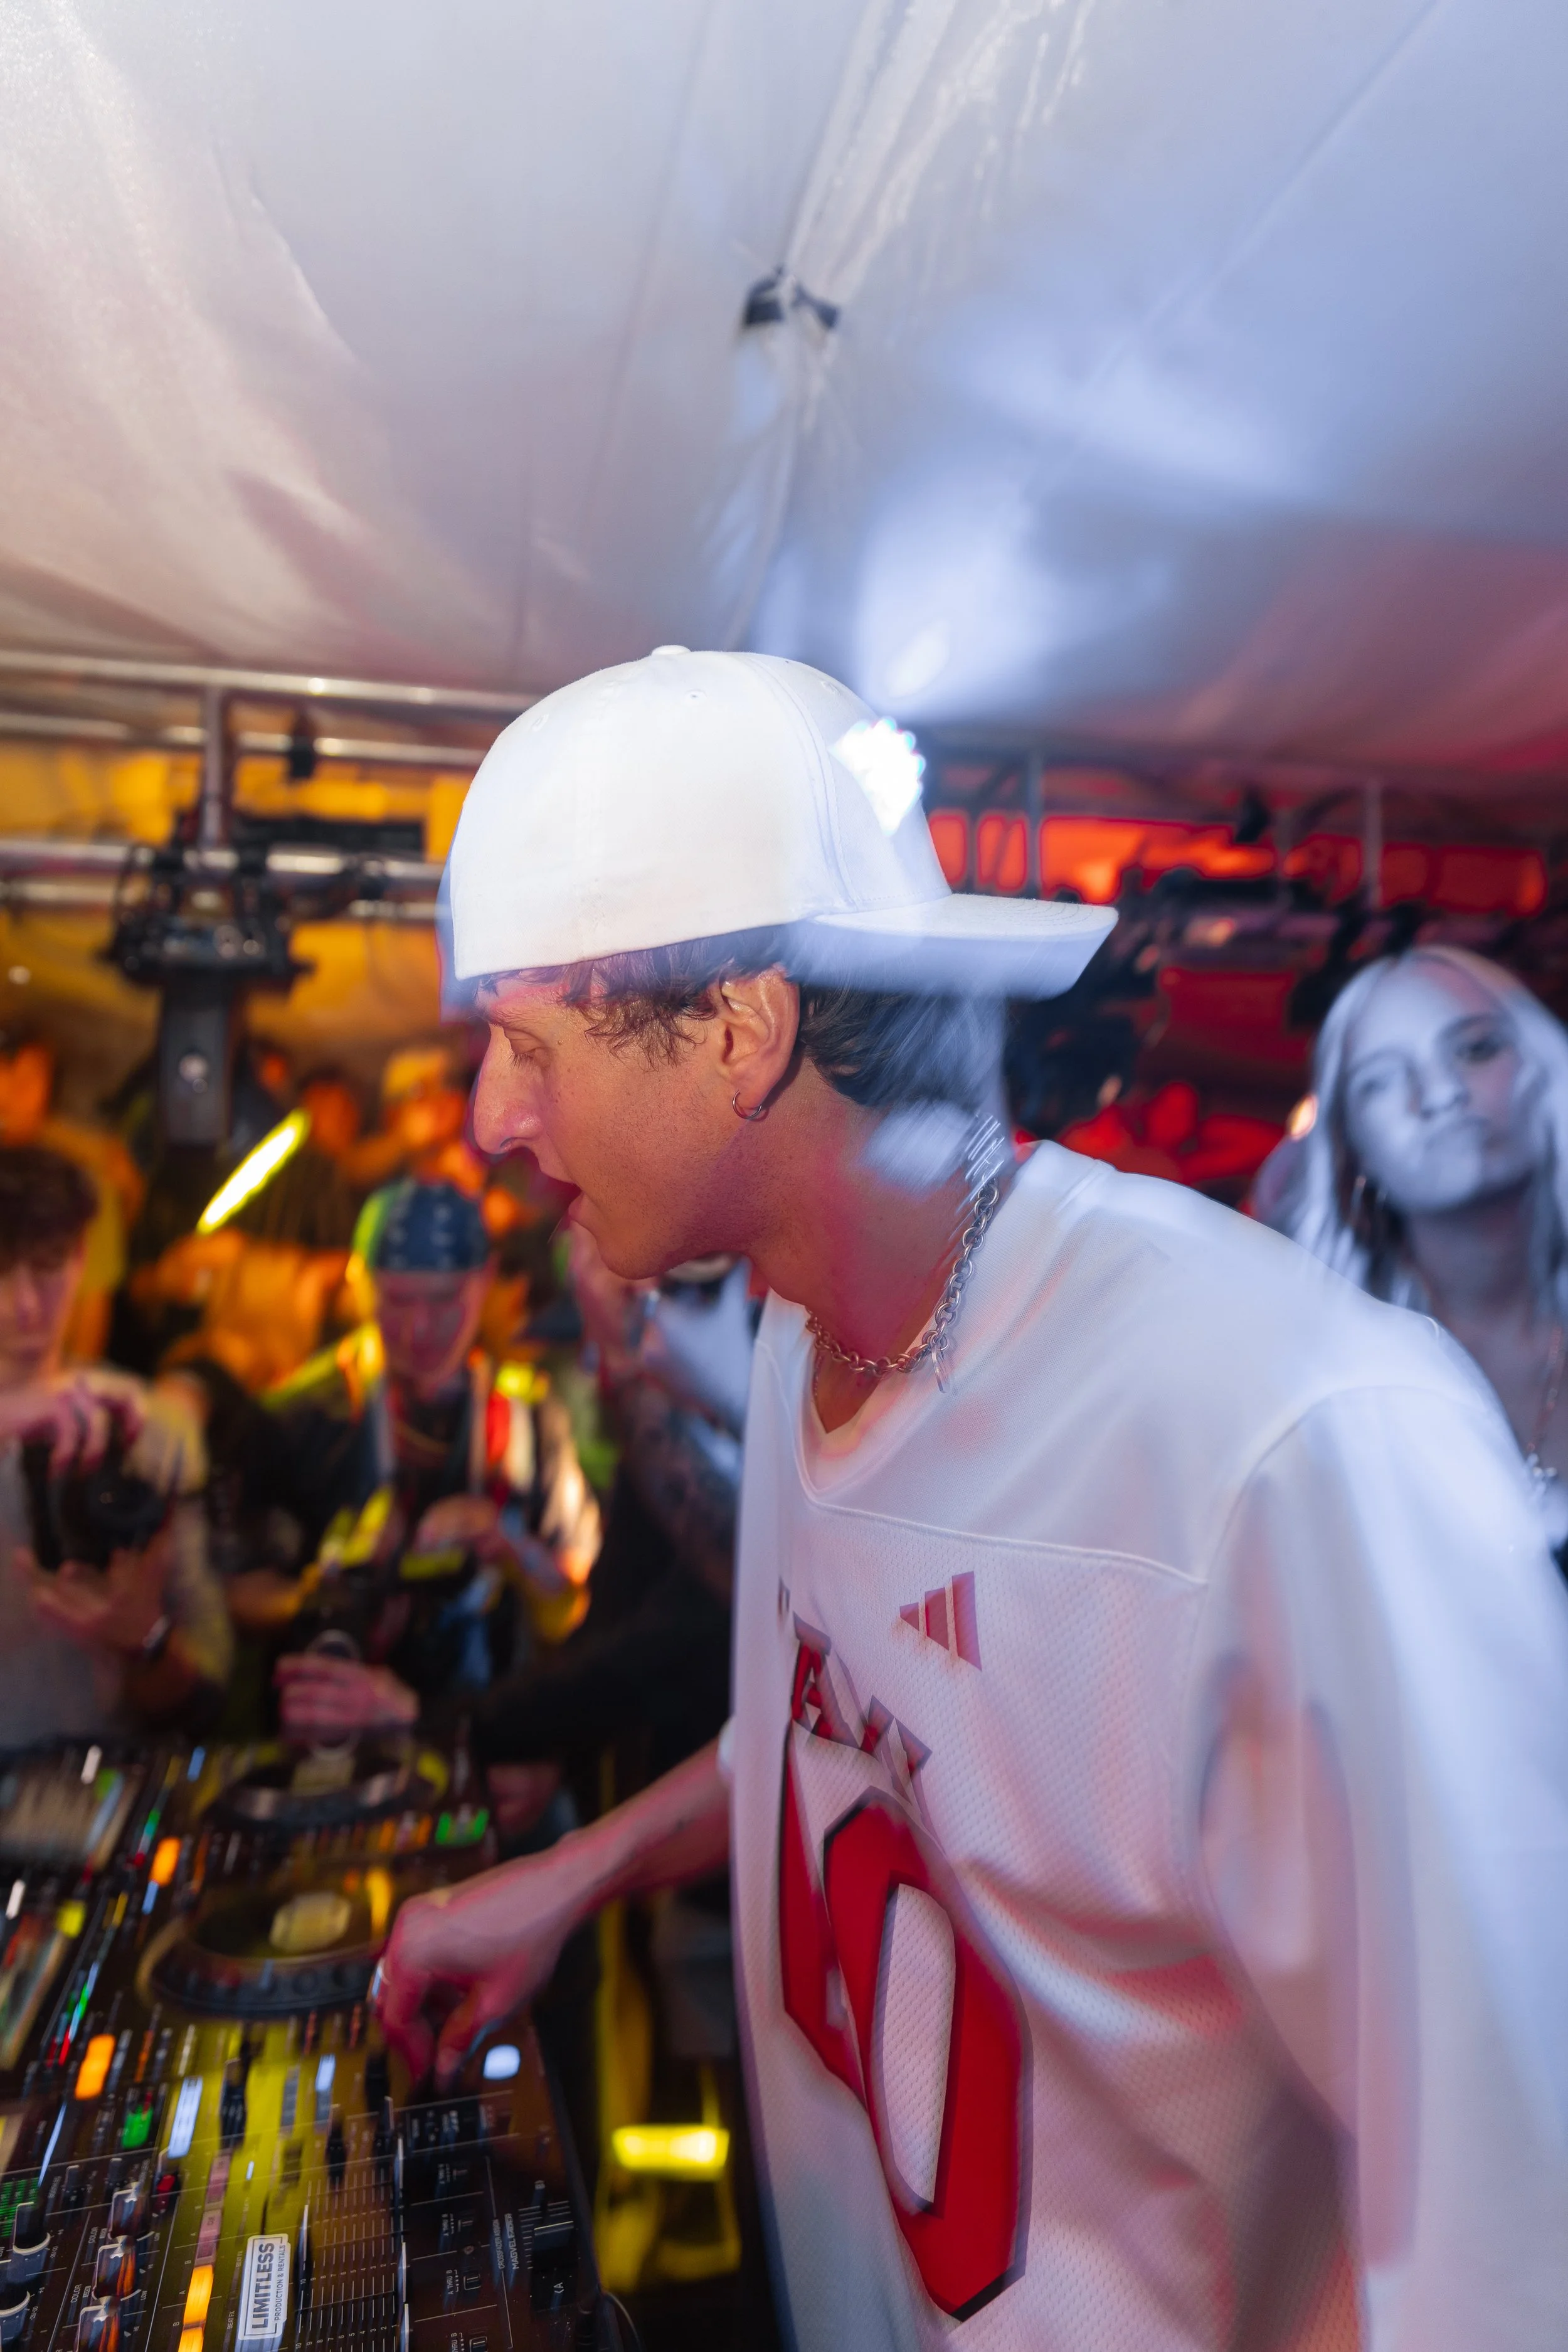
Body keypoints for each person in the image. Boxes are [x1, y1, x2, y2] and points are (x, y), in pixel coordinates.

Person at [374, 649, 1568, 2352]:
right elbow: (860, 1734)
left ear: (737, 1027)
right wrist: (576, 1871)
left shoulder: (1289, 1442)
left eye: (526, 1039)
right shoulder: (807, 1328)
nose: (492, 1118)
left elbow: (1505, 2210)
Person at [253, 1177, 600, 1722]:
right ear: (358, 1281)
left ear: (485, 1281)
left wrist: (508, 1545)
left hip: (489, 1737)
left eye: (443, 1302)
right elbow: (226, 1592)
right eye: (396, 1301)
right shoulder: (299, 1416)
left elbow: (571, 1603)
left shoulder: (529, 1417)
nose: (418, 1330)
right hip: (324, 1732)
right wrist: (329, 1587)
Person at [1263, 944, 1568, 1561]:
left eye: (1475, 1049)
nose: (1439, 1095)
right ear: (1355, 1152)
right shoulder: (1308, 1383)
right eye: (1380, 1080)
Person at [0, 1143, 233, 1748]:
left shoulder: (140, 1424)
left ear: (80, 1260)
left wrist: (145, 1638)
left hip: (95, 1787)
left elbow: (208, 1684)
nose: (22, 1306)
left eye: (47, 1265)